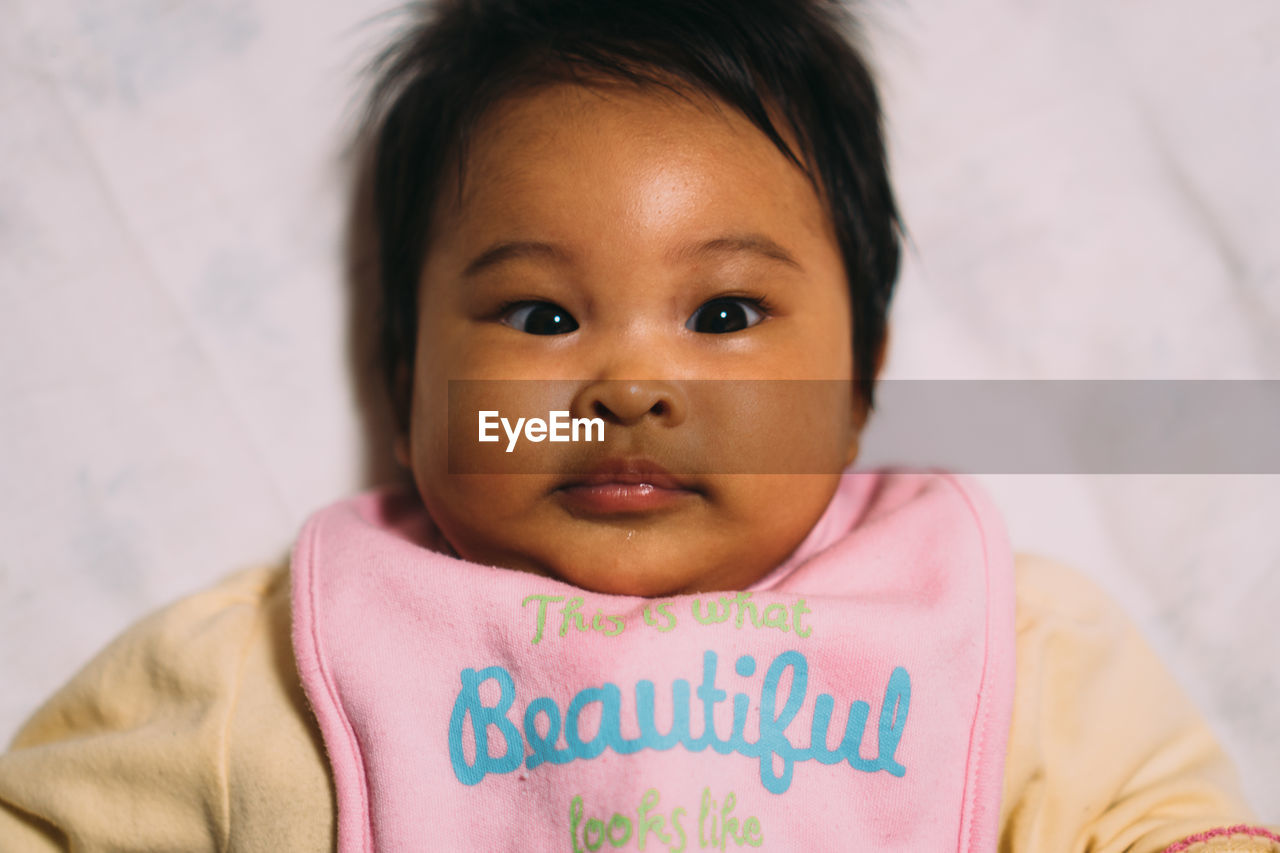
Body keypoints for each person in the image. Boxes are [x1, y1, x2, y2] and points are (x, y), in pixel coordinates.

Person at [0, 1, 1274, 850]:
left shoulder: (1005, 639)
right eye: (540, 316)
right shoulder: (271, 660)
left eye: (723, 311)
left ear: (855, 387)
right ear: (404, 390)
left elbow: (1167, 820)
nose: (628, 385)